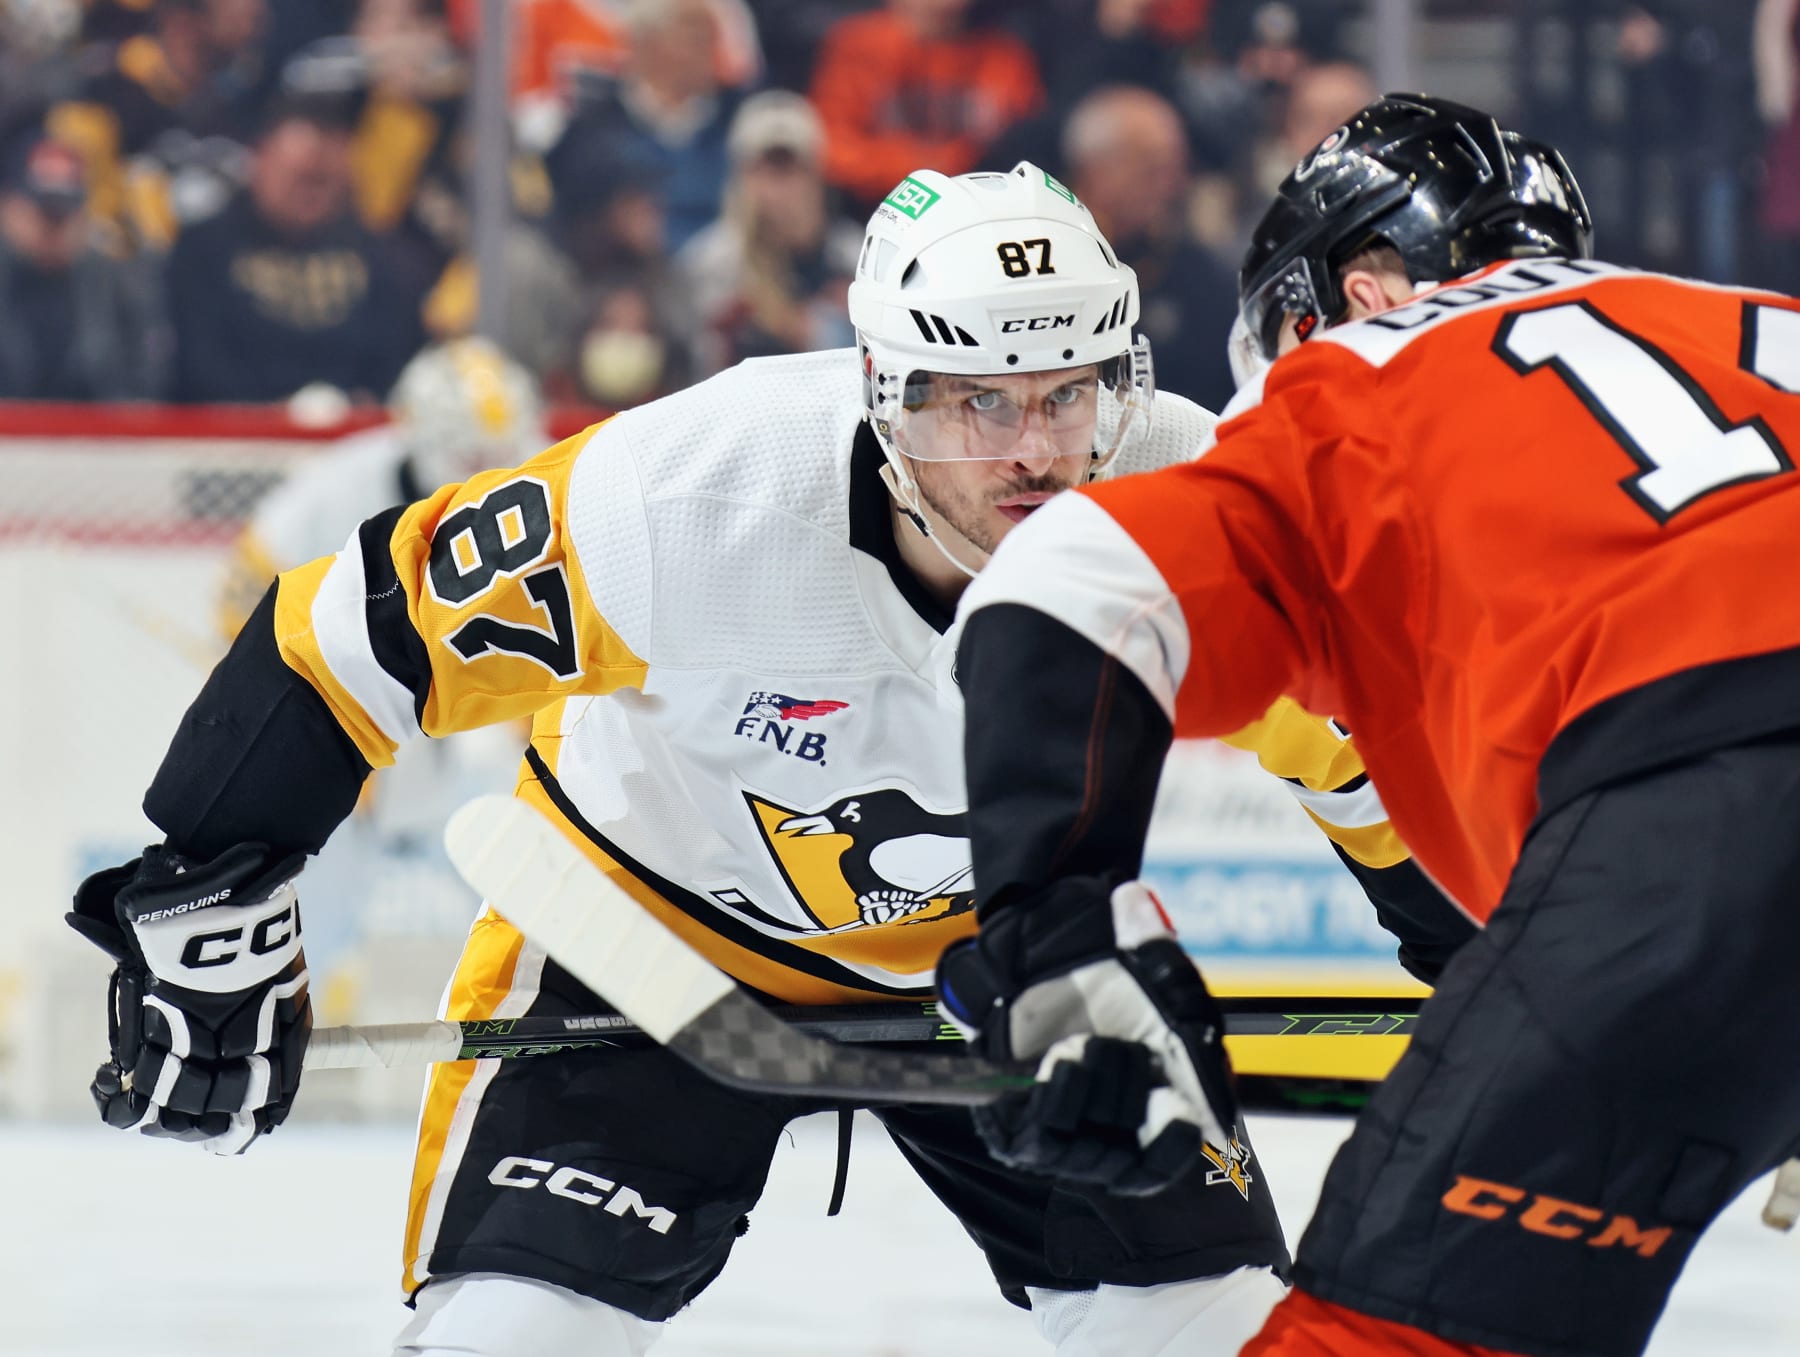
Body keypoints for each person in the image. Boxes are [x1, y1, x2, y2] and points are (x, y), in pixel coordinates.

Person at [66, 162, 1460, 1356]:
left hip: (1018, 974)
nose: (1035, 456)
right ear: (883, 388)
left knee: (1222, 1330)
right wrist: (205, 900)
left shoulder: (1200, 507)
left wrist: (1507, 963)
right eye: (979, 402)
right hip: (650, 955)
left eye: (1071, 393)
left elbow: (1376, 768)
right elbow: (346, 634)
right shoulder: (690, 492)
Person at [940, 94, 1800, 1357]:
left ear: (1356, 289)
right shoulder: (1755, 320)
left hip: (1697, 797)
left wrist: (1060, 949)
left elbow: (1061, 587)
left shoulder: (1353, 376)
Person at [165, 94, 429, 402]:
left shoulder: (380, 257)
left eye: (323, 182)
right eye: (299, 179)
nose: (310, 196)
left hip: (351, 434)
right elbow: (197, 362)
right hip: (232, 435)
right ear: (260, 161)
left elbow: (397, 358)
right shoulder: (204, 249)